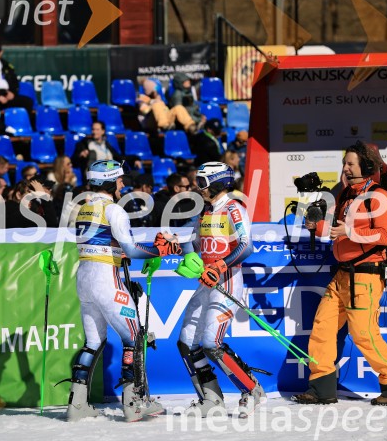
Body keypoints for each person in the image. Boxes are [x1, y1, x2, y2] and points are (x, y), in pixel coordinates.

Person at [294, 141, 387, 406]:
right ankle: (322, 387)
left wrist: (349, 232)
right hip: (343, 275)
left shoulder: (378, 196)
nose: (345, 168)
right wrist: (317, 225)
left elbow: (384, 235)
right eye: (344, 163)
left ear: (366, 167)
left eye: (350, 164)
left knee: (364, 334)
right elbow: (336, 231)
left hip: (366, 276)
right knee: (322, 328)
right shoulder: (346, 195)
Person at [67, 160, 182, 422]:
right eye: (119, 180)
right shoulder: (114, 209)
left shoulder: (84, 207)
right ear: (109, 182)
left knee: (93, 343)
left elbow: (108, 244)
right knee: (135, 337)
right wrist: (160, 250)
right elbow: (130, 250)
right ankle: (134, 403)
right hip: (106, 277)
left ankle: (76, 404)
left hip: (84, 277)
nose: (123, 185)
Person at [176, 161, 265, 418]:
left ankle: (251, 390)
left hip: (226, 282)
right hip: (206, 283)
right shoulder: (205, 211)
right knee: (186, 343)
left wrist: (220, 265)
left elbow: (246, 246)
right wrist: (181, 250)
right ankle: (211, 398)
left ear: (218, 183)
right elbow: (192, 243)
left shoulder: (233, 208)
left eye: (202, 183)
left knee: (211, 343)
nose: (198, 188)